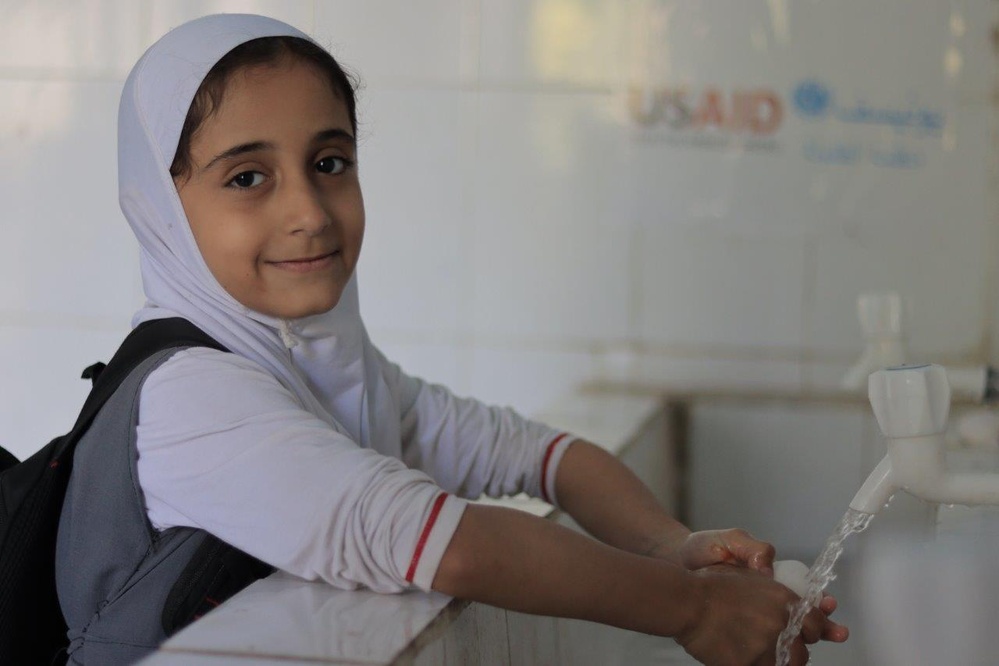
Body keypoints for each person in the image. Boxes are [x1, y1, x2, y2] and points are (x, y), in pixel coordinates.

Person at [55, 13, 846, 666]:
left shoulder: (332, 369)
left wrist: (670, 546)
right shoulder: (189, 397)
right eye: (246, 177)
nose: (310, 211)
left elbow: (539, 455)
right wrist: (691, 609)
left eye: (329, 161)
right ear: (158, 207)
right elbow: (443, 544)